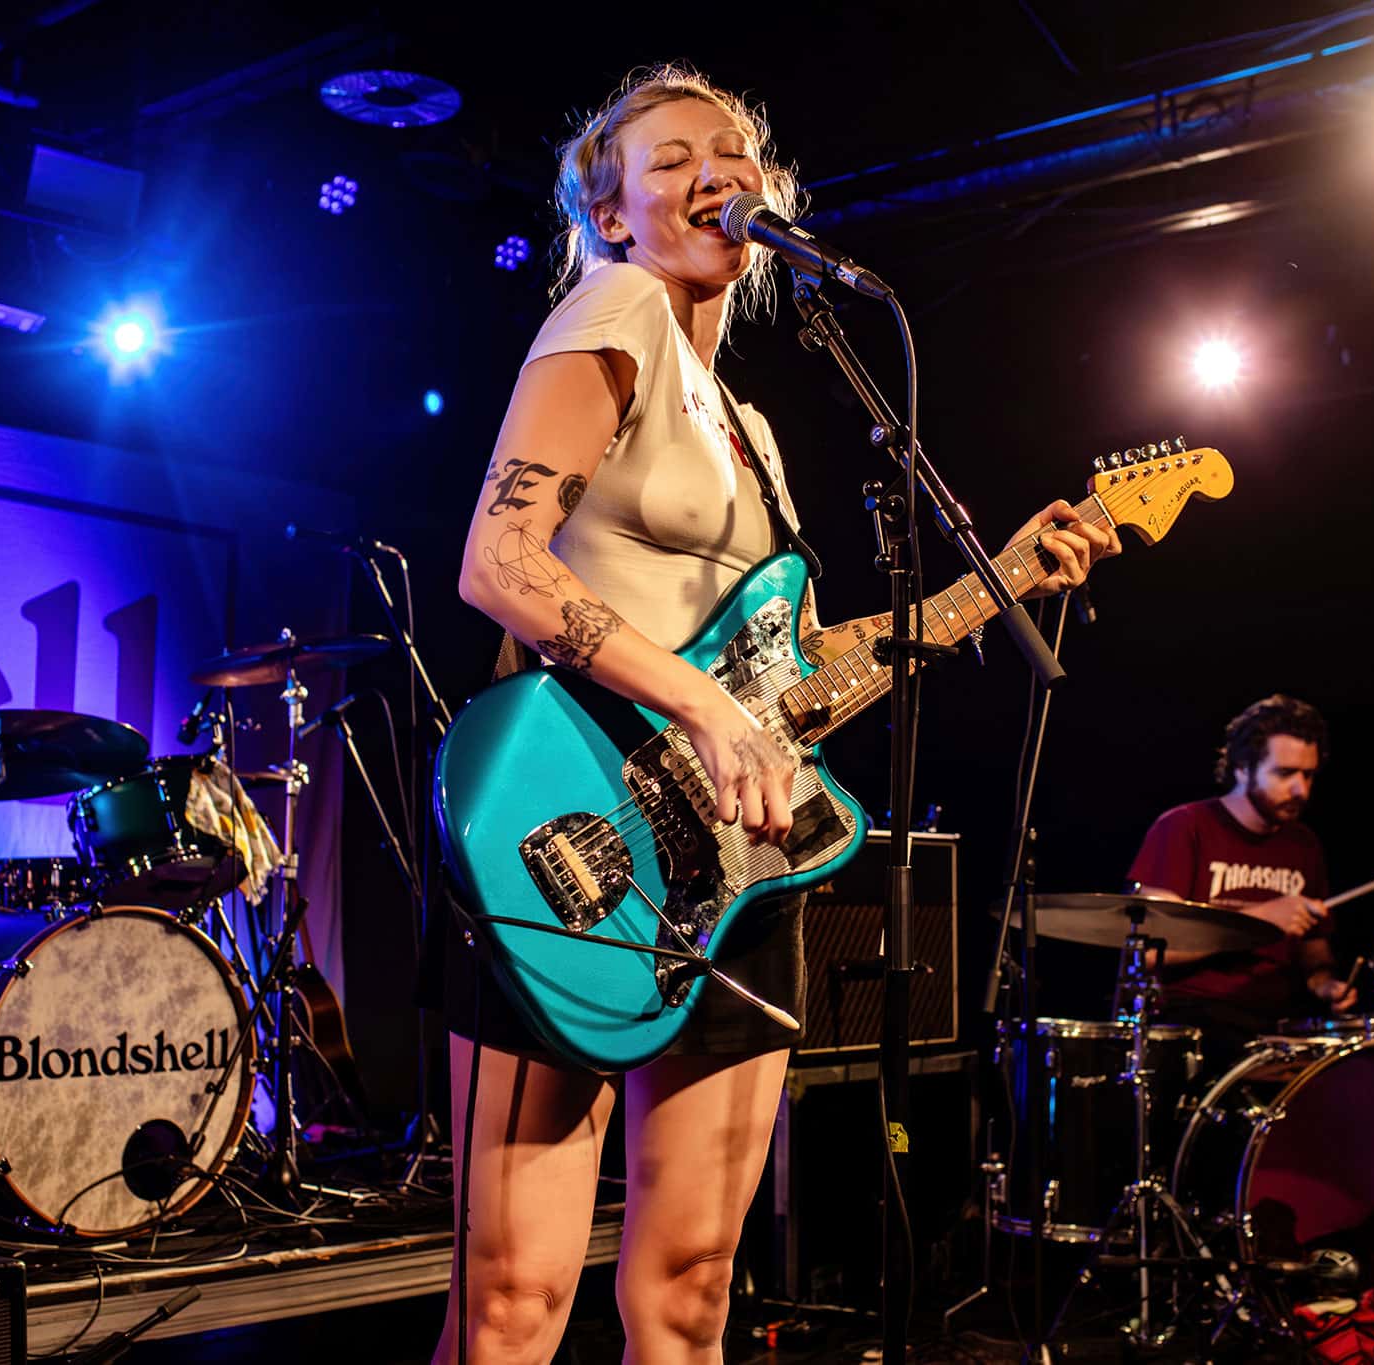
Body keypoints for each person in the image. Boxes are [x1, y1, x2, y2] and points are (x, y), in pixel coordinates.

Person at [440, 65, 1119, 1364]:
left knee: (694, 1294)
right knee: (512, 1307)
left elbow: (796, 672)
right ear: (613, 214)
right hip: (566, 832)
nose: (715, 173)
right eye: (671, 158)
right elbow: (499, 560)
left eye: (734, 152)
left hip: (730, 870)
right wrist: (703, 706)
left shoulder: (751, 425)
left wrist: (1002, 577)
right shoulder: (616, 304)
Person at [1125, 694, 1356, 1035]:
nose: (1301, 790)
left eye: (1308, 775)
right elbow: (1148, 951)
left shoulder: (1303, 843)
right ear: (1242, 767)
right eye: (1285, 773)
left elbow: (1314, 950)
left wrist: (1324, 983)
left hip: (1281, 1027)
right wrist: (1257, 921)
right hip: (1195, 1021)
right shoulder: (1184, 826)